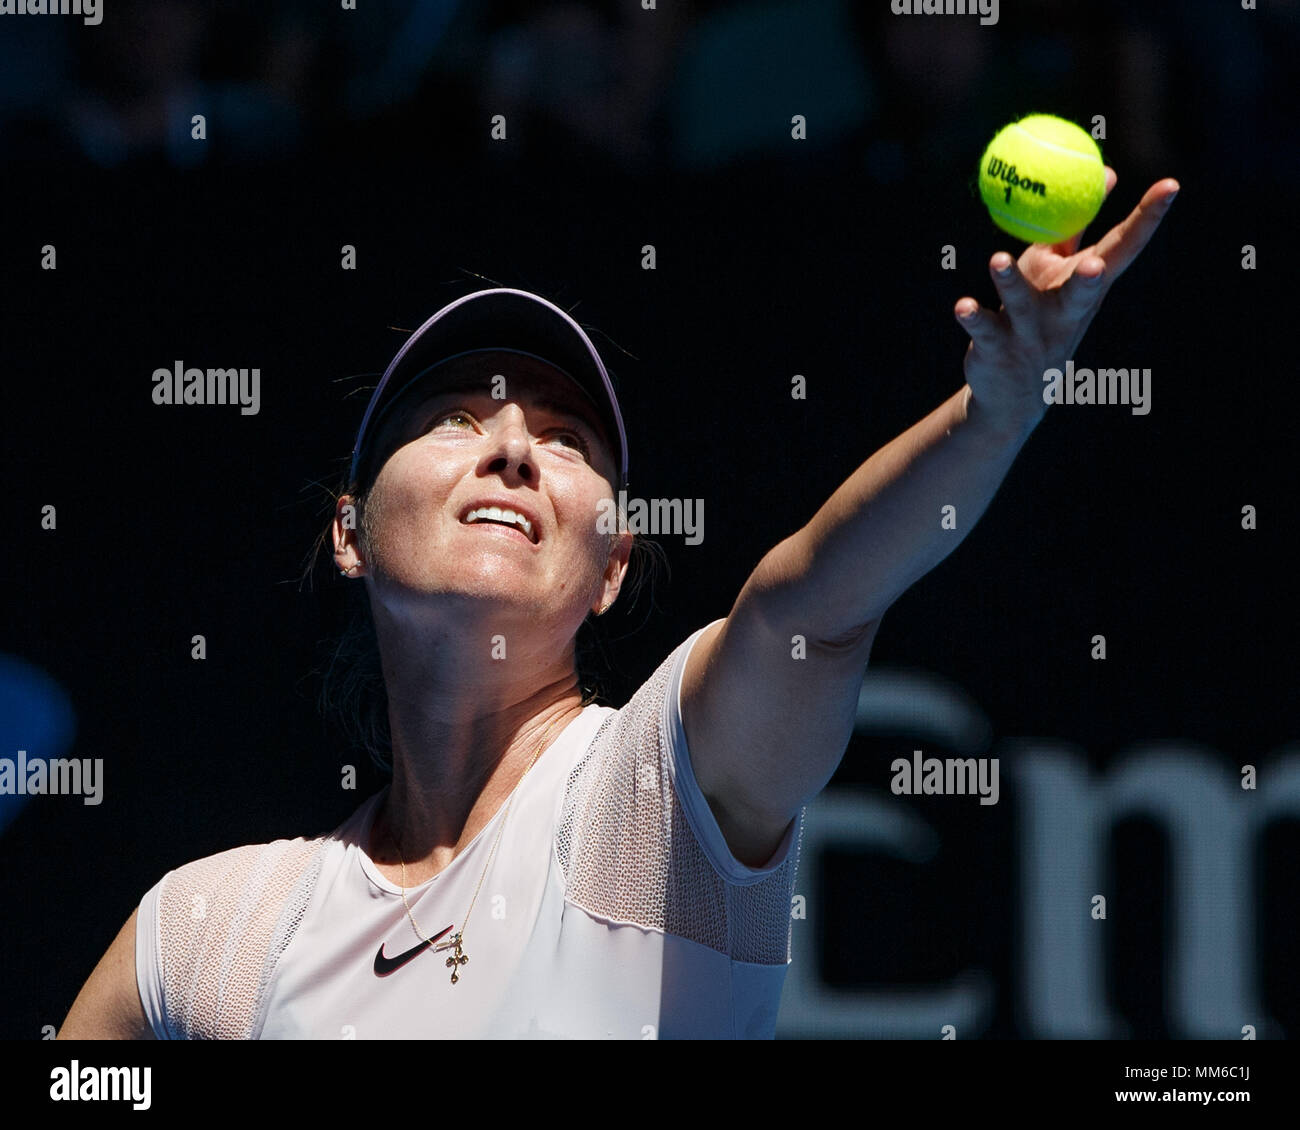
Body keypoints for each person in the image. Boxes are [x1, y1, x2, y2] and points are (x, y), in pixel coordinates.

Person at [57, 172, 1179, 1039]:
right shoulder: (216, 928)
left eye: (565, 441)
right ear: (348, 530)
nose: (510, 449)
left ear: (611, 568)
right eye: (454, 416)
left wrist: (996, 413)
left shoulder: (647, 800)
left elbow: (814, 608)